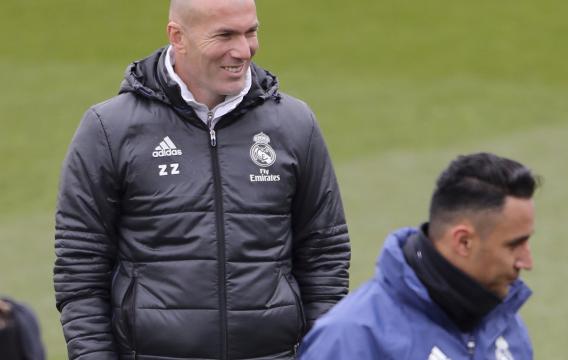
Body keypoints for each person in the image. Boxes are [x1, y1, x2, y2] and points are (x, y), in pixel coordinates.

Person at [53, 0, 350, 359]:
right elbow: (80, 267)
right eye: (224, 34)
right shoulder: (109, 129)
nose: (243, 50)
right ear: (178, 36)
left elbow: (324, 255)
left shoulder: (294, 124)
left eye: (251, 31)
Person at [299, 152, 539, 360]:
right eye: (514, 245)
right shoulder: (351, 339)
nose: (527, 262)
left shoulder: (503, 322)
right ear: (463, 242)